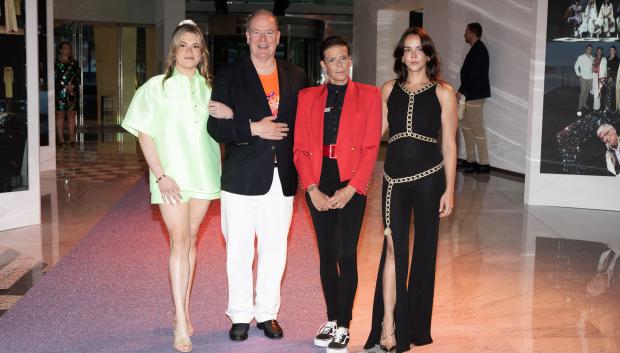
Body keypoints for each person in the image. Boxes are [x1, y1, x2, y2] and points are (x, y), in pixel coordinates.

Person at [121, 20, 226, 352]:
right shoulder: (155, 87)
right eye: (184, 45)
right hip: (171, 179)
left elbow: (223, 130)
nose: (190, 52)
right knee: (179, 242)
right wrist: (160, 175)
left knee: (191, 240)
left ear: (202, 53)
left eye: (196, 46)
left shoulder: (211, 87)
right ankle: (180, 321)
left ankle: (183, 307)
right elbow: (144, 133)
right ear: (174, 50)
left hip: (206, 174)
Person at [206, 9, 306, 342]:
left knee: (275, 249)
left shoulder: (296, 75)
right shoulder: (229, 75)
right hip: (241, 177)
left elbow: (304, 127)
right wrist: (253, 127)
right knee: (239, 249)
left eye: (269, 33)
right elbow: (215, 126)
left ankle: (267, 314)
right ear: (246, 36)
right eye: (256, 33)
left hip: (283, 178)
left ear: (279, 38)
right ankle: (239, 314)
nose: (263, 40)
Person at [363, 27, 457, 353]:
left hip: (431, 178)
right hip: (394, 182)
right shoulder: (388, 89)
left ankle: (415, 327)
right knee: (392, 249)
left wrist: (451, 189)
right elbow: (372, 135)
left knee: (425, 253)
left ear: (428, 54)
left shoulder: (444, 92)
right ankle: (388, 326)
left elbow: (448, 143)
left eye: (419, 49)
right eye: (407, 50)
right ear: (401, 55)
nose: (413, 55)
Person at [293, 36, 381, 353]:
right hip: (319, 180)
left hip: (350, 180)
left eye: (343, 58)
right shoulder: (307, 97)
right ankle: (331, 319)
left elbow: (371, 147)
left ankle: (344, 325)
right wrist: (311, 187)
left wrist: (353, 188)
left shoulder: (369, 96)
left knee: (346, 252)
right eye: (332, 60)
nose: (339, 65)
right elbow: (300, 148)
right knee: (327, 253)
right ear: (323, 65)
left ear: (350, 59)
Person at [457, 22, 490, 174]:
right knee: (467, 128)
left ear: (472, 33)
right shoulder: (476, 49)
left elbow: (473, 75)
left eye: (466, 31)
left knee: (477, 130)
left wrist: (461, 91)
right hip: (470, 95)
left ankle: (484, 163)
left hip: (475, 96)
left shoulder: (479, 50)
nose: (464, 34)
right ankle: (471, 160)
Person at [54, 41, 80, 146]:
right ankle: (60, 138)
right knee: (60, 115)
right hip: (60, 92)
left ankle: (72, 138)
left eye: (69, 48)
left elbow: (77, 77)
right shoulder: (55, 63)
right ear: (60, 50)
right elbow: (54, 77)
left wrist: (72, 86)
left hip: (72, 92)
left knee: (71, 115)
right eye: (65, 48)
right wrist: (63, 86)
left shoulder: (75, 63)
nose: (68, 50)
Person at [575, 44, 594, 111]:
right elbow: (576, 66)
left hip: (590, 77)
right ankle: (580, 106)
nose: (589, 50)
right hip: (583, 77)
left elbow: (593, 68)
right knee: (583, 91)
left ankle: (584, 104)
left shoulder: (592, 58)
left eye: (591, 49)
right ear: (585, 49)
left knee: (587, 92)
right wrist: (579, 75)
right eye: (588, 49)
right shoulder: (581, 57)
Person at [592, 46, 607, 111]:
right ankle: (595, 107)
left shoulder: (604, 59)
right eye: (598, 51)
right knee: (595, 92)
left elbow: (604, 70)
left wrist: (601, 79)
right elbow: (591, 68)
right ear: (596, 52)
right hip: (594, 76)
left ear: (602, 52)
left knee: (598, 92)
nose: (599, 52)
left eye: (600, 51)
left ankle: (597, 108)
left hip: (600, 77)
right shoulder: (594, 59)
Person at [604, 46, 619, 111]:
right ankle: (607, 106)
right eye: (610, 50)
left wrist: (611, 77)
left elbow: (617, 70)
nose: (611, 51)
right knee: (607, 91)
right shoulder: (606, 58)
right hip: (606, 77)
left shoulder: (617, 59)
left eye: (613, 50)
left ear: (615, 51)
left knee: (611, 92)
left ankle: (609, 107)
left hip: (612, 77)